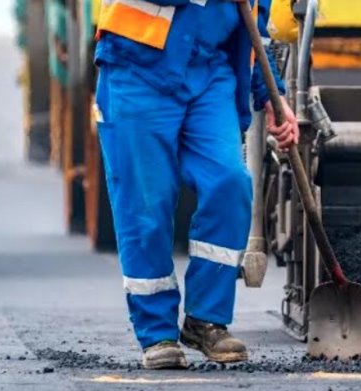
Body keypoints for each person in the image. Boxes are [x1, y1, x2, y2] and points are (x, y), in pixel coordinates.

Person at [94, 0, 299, 369]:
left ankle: (206, 319)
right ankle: (156, 333)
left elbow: (254, 24)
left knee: (229, 182)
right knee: (146, 205)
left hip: (209, 73)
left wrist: (271, 95)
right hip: (137, 66)